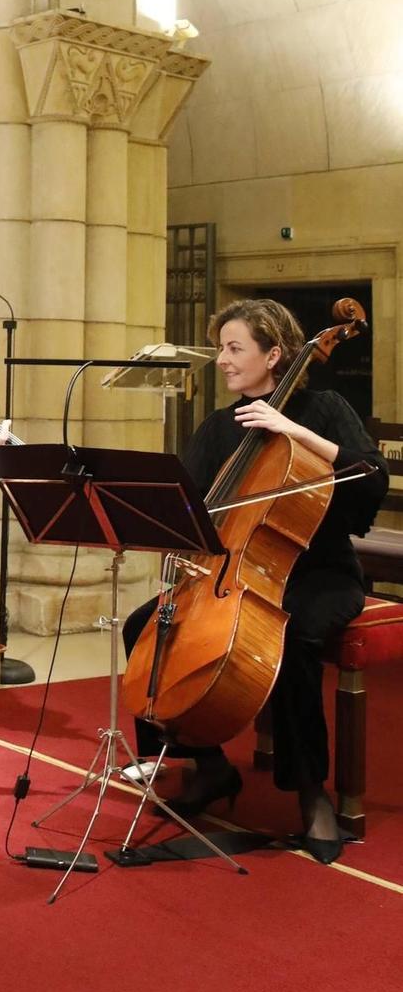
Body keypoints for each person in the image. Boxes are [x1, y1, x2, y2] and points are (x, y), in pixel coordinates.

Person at [121, 297, 388, 864]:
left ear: (276, 354)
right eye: (222, 348)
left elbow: (370, 478)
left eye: (234, 348)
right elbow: (193, 508)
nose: (221, 359)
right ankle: (209, 764)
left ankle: (312, 794)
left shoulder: (323, 408)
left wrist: (288, 427)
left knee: (291, 645)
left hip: (317, 570)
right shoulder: (220, 428)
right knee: (147, 627)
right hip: (234, 571)